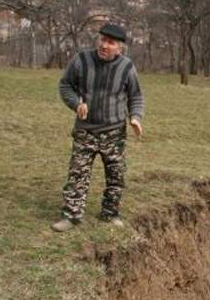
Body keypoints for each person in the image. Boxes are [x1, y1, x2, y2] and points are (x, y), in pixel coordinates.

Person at [51, 23, 144, 232]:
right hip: (86, 131)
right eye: (102, 40)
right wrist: (76, 103)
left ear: (119, 48)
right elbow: (65, 85)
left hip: (114, 133)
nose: (104, 45)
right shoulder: (80, 60)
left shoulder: (127, 67)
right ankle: (71, 215)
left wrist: (136, 117)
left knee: (116, 176)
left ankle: (110, 213)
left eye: (110, 43)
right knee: (77, 174)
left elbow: (136, 95)